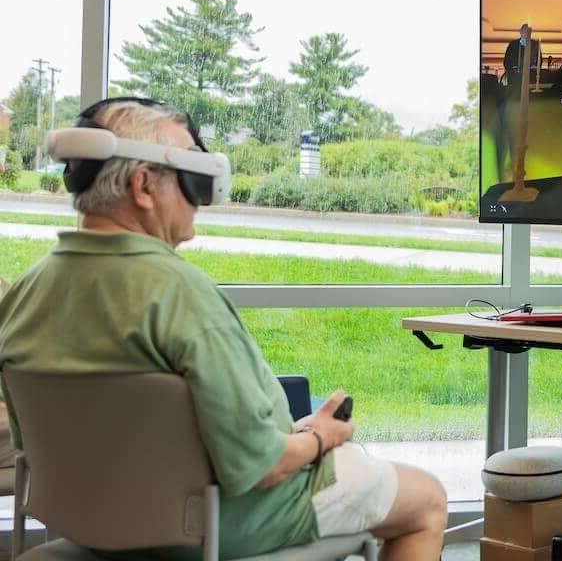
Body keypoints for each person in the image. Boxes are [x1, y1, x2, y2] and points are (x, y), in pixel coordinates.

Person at [0, 99, 448, 561]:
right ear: (143, 186)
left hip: (90, 521)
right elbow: (261, 466)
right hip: (218, 524)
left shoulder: (26, 293)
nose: (201, 197)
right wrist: (319, 437)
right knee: (427, 499)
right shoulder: (180, 294)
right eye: (192, 179)